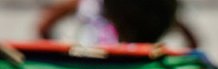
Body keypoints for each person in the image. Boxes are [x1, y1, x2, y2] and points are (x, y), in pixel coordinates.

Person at [36, 0, 199, 48]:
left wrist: (63, 56)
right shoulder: (149, 8)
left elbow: (44, 25)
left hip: (89, 67)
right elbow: (192, 40)